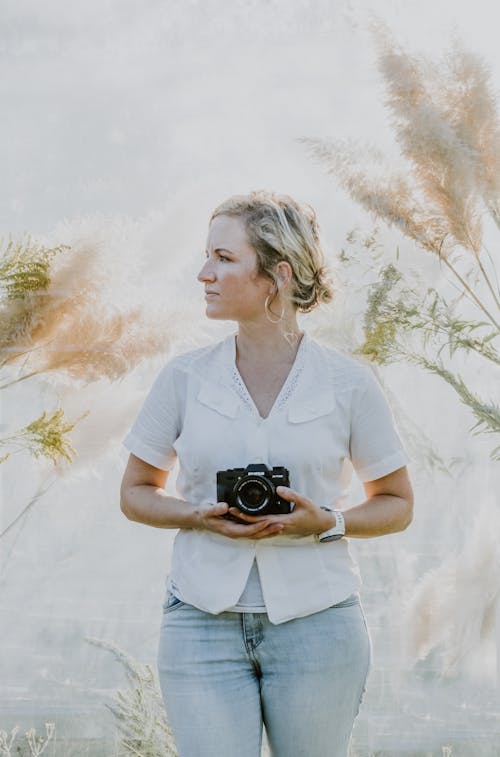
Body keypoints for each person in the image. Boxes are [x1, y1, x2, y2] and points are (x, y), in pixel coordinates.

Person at [120, 190, 414, 757]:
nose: (204, 273)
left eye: (224, 259)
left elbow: (398, 503)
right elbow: (134, 493)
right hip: (200, 622)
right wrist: (197, 516)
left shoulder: (348, 383)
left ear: (276, 275)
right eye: (208, 256)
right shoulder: (183, 378)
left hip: (318, 625)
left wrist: (326, 522)